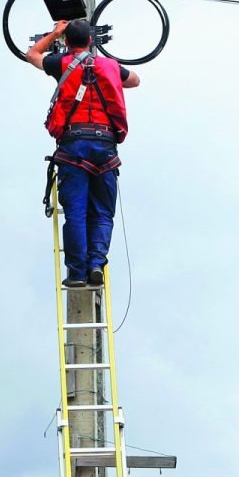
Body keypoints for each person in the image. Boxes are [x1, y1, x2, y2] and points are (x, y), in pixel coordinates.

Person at [27, 17, 139, 288]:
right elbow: (134, 80)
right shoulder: (110, 66)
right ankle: (97, 263)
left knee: (75, 211)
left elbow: (32, 55)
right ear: (91, 40)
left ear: (66, 42)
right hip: (105, 146)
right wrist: (107, 69)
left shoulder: (62, 64)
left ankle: (77, 273)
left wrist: (54, 33)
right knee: (102, 212)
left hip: (74, 145)